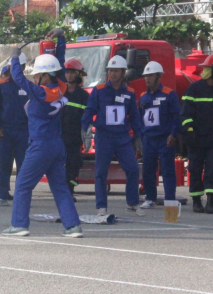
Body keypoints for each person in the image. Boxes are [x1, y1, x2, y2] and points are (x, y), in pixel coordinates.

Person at [3, 30, 83, 238]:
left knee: (22, 185)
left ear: (45, 76)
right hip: (57, 145)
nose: (35, 77)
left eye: (37, 74)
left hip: (40, 145)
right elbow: (60, 61)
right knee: (60, 187)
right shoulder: (62, 86)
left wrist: (14, 58)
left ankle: (19, 224)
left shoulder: (41, 92)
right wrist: (61, 39)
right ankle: (73, 226)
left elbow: (19, 78)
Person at [81, 55, 144, 216]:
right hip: (104, 137)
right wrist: (84, 127)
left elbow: (135, 116)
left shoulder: (129, 93)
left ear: (123, 73)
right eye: (110, 70)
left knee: (132, 169)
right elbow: (90, 110)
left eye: (116, 71)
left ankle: (132, 203)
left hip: (122, 138)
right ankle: (101, 207)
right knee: (101, 172)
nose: (112, 74)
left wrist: (138, 137)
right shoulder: (99, 90)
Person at [138, 61, 181, 209]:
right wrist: (141, 136)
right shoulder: (143, 96)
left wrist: (173, 134)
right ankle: (150, 198)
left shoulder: (169, 94)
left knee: (168, 170)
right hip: (149, 139)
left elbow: (176, 116)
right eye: (146, 76)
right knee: (148, 170)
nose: (147, 79)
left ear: (159, 76)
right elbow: (140, 118)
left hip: (165, 139)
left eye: (150, 75)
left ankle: (170, 199)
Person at [0, 58, 28, 207]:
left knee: (23, 166)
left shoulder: (28, 85)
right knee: (3, 164)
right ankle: (1, 195)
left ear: (23, 67)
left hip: (24, 131)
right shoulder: (1, 85)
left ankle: (21, 197)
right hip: (4, 131)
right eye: (12, 66)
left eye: (18, 66)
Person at [181, 54, 213, 214]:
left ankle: (211, 201)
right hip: (196, 139)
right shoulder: (194, 88)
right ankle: (196, 200)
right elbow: (185, 113)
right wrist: (190, 131)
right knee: (195, 169)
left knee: (212, 170)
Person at [62, 58, 90, 201]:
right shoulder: (60, 93)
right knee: (59, 165)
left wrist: (86, 136)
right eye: (67, 72)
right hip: (60, 136)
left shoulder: (84, 96)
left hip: (75, 138)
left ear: (78, 74)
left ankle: (69, 192)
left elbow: (88, 117)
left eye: (72, 72)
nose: (69, 75)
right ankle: (61, 192)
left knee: (73, 166)